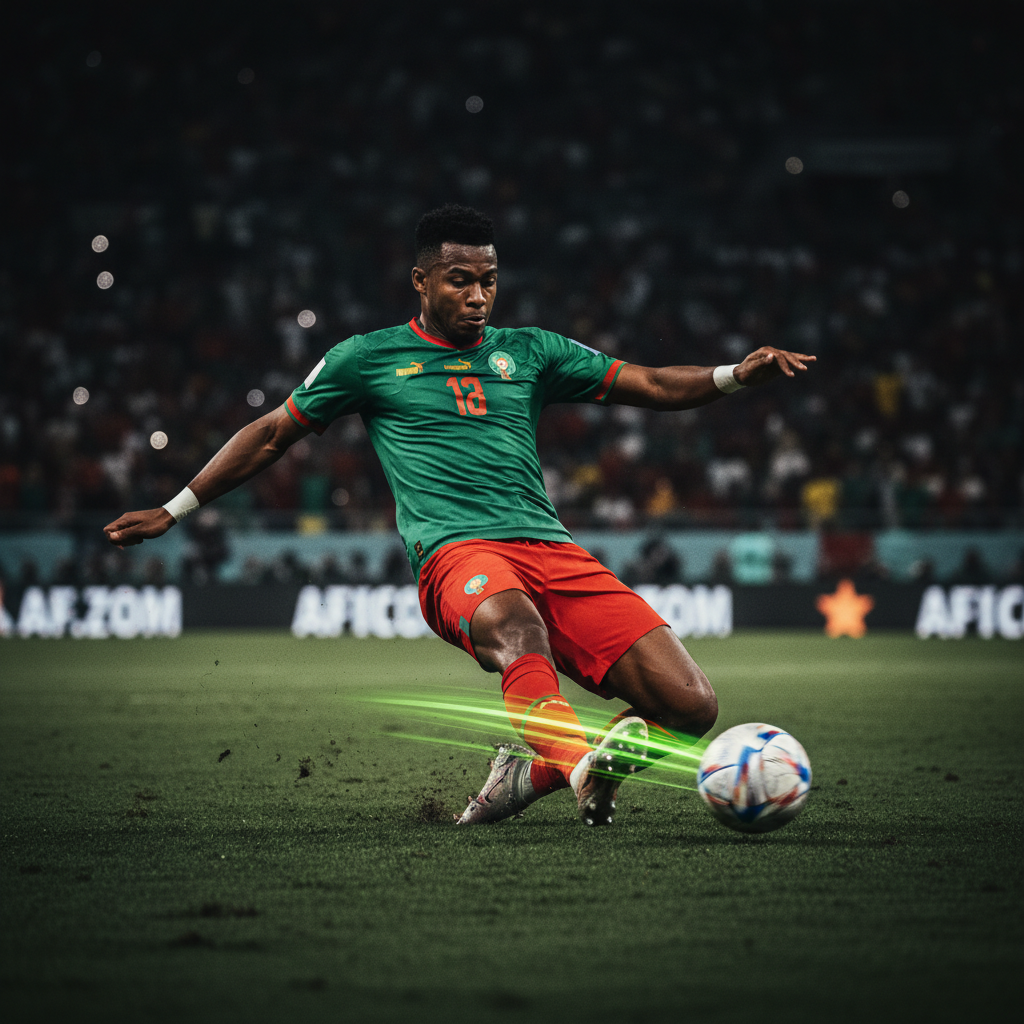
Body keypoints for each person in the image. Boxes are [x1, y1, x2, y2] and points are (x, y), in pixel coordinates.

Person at [104, 204, 815, 826]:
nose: (479, 296)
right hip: (458, 554)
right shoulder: (365, 359)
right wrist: (176, 507)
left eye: (489, 281)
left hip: (551, 549)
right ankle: (577, 771)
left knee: (691, 706)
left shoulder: (532, 351)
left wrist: (731, 376)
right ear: (422, 281)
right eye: (460, 280)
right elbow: (270, 434)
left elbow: (654, 383)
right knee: (517, 627)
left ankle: (532, 773)